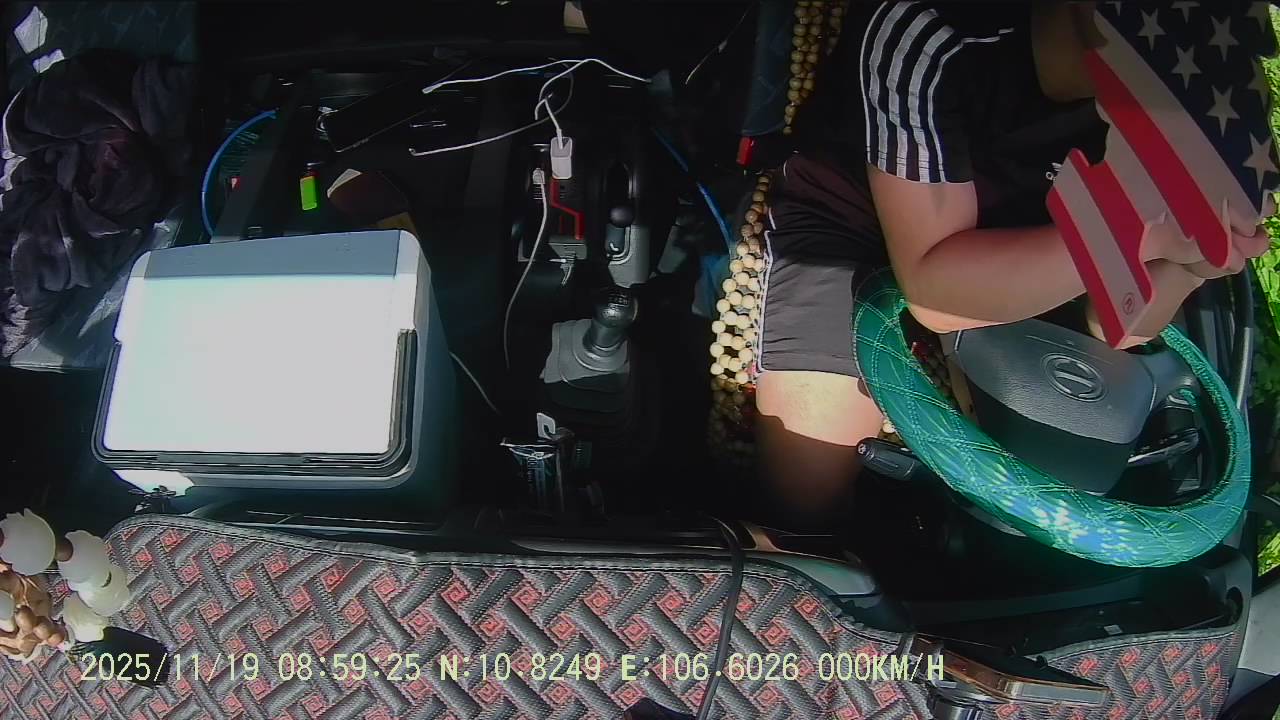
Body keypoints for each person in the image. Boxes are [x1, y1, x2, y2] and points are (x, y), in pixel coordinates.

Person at [753, 1, 1273, 526]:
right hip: (855, 231)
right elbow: (935, 293)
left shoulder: (1189, 94)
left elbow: (1119, 323)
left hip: (1043, 239)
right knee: (808, 487)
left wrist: (1193, 262)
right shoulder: (932, 30)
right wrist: (1138, 235)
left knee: (1069, 482)